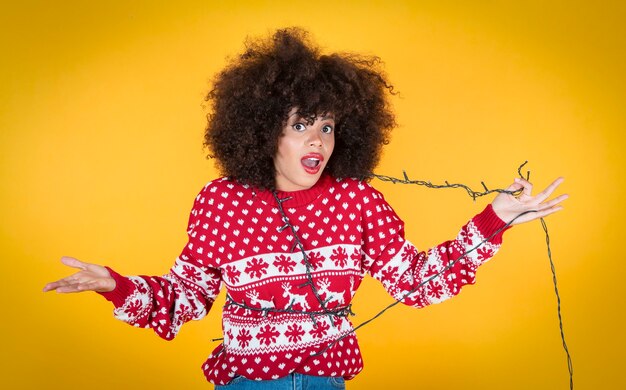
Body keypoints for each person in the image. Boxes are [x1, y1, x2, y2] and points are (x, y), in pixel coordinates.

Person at [43, 28, 567, 389]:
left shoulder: (357, 200)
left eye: (327, 127)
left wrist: (495, 219)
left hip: (325, 382)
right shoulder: (221, 203)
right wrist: (114, 285)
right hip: (247, 383)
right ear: (264, 128)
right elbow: (186, 298)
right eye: (299, 125)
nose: (316, 140)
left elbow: (417, 283)